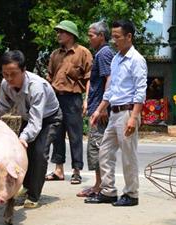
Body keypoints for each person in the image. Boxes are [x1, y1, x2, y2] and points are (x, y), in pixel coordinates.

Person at [0, 50, 62, 208]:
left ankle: (33, 196)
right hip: (28, 119)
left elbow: (36, 120)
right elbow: (1, 106)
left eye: (13, 74)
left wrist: (23, 138)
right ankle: (25, 186)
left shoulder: (37, 87)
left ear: (24, 70)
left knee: (39, 153)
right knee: (21, 154)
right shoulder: (6, 85)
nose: (8, 78)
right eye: (5, 74)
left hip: (49, 119)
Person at [84, 20, 147, 206]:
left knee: (128, 155)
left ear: (129, 37)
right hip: (114, 112)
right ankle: (108, 191)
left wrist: (134, 118)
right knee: (104, 151)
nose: (114, 41)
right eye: (113, 37)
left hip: (128, 112)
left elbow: (140, 91)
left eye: (118, 37)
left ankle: (131, 194)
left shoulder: (137, 60)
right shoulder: (117, 59)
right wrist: (98, 110)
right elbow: (110, 90)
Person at [45, 20, 92, 184]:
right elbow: (49, 76)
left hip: (73, 99)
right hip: (56, 98)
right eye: (58, 32)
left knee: (75, 135)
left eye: (61, 32)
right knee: (56, 134)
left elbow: (89, 79)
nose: (58, 35)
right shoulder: (54, 54)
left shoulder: (83, 52)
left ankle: (77, 170)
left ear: (71, 35)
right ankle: (59, 170)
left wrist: (87, 100)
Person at [76, 21, 114, 197]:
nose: (88, 39)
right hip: (95, 106)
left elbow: (109, 79)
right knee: (95, 147)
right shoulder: (99, 53)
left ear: (101, 36)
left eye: (91, 35)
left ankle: (100, 187)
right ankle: (98, 184)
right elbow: (94, 80)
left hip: (101, 109)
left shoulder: (104, 53)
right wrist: (88, 101)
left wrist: (103, 107)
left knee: (97, 147)